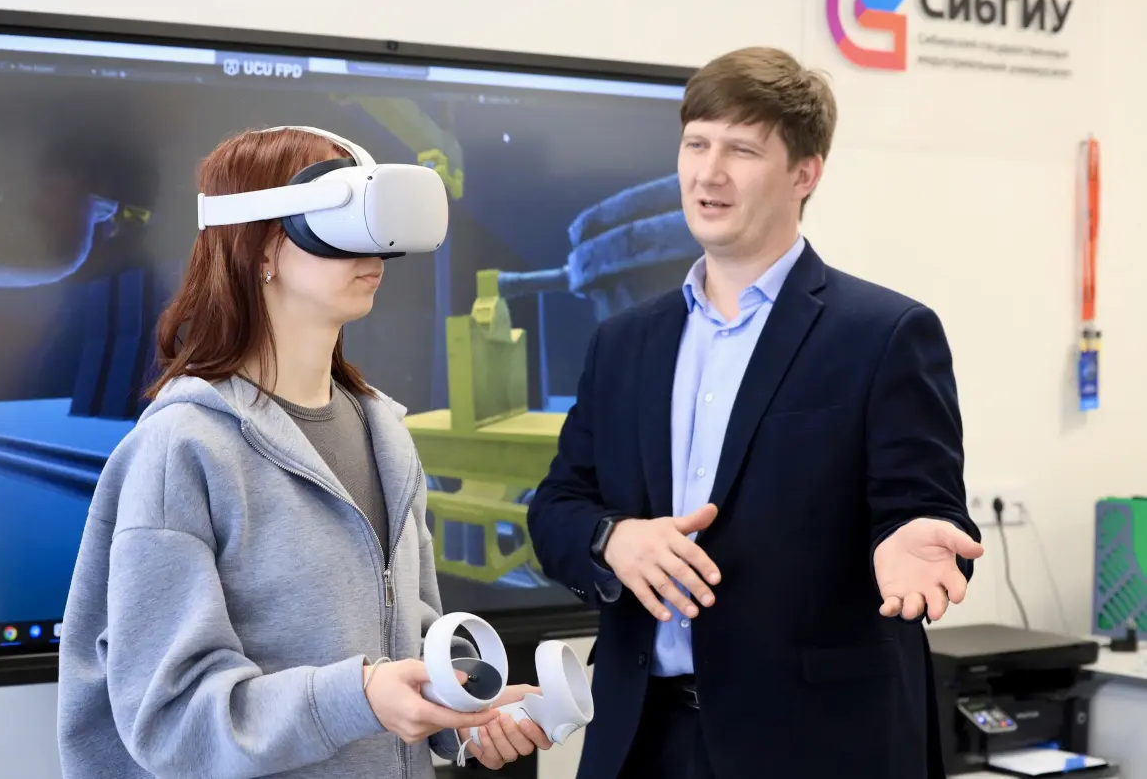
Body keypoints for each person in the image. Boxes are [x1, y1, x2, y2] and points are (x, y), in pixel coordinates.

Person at [526, 47, 985, 779]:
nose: (708, 173)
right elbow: (556, 507)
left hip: (816, 748)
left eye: (741, 150)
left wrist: (914, 540)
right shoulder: (623, 342)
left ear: (805, 174)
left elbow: (922, 511)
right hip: (643, 739)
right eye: (696, 144)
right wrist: (614, 540)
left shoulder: (885, 334)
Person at [57, 126, 551, 779]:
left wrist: (463, 713)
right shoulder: (185, 449)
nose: (372, 247)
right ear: (262, 246)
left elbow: (410, 640)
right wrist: (358, 697)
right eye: (341, 219)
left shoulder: (386, 434)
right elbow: (171, 718)